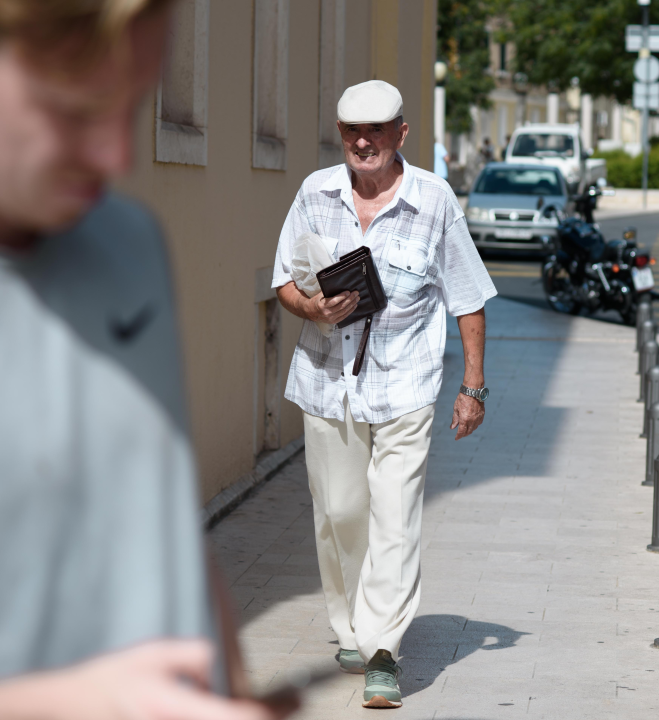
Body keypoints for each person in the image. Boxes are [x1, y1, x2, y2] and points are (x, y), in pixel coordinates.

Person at [0, 2, 291, 719]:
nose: (116, 159)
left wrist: (238, 689)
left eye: (134, 106)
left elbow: (159, 514)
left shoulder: (130, 244)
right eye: (75, 111)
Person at [271, 80, 496, 709]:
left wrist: (472, 386)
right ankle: (348, 624)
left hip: (405, 385)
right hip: (325, 381)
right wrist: (311, 308)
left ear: (401, 132)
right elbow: (283, 281)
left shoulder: (433, 200)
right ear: (340, 134)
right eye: (351, 132)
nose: (362, 142)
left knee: (394, 517)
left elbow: (468, 295)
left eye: (376, 131)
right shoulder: (315, 193)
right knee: (340, 512)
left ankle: (382, 651)